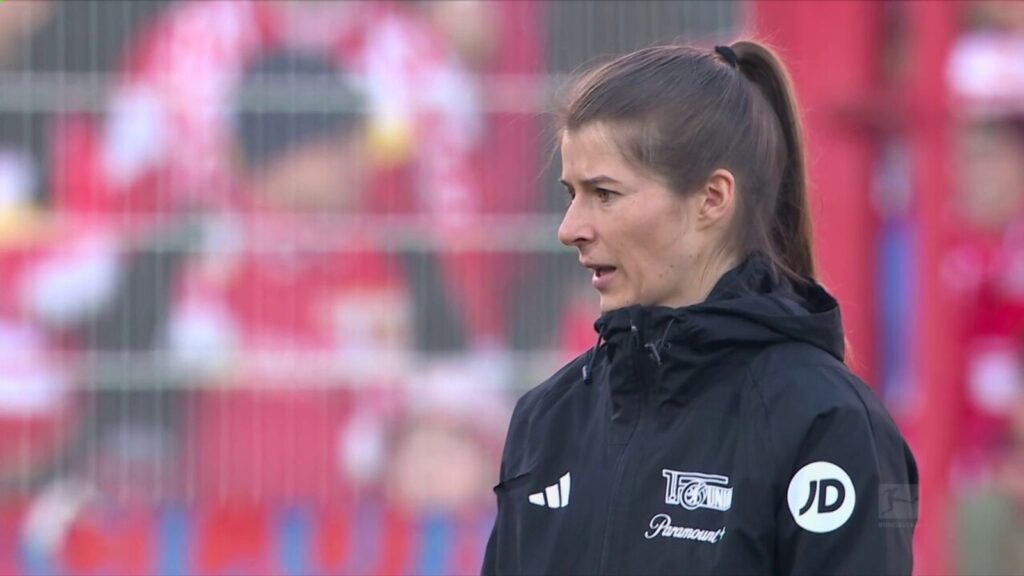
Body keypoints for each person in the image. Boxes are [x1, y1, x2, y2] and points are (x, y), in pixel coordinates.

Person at [483, 41, 918, 575]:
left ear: (713, 197)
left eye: (604, 194)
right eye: (571, 193)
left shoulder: (834, 422)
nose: (570, 228)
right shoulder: (546, 419)